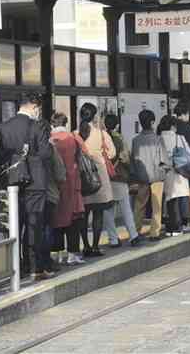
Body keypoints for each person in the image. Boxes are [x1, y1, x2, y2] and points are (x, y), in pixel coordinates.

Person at [0, 92, 58, 279]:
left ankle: (16, 268)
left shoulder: (3, 127)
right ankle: (34, 268)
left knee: (16, 224)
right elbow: (47, 154)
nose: (38, 111)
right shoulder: (38, 126)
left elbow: (0, 156)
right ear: (33, 106)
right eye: (38, 108)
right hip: (35, 182)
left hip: (13, 182)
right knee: (34, 226)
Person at [76, 102, 116, 257]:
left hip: (82, 178)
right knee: (98, 213)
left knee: (83, 214)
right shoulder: (101, 134)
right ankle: (95, 246)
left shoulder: (75, 134)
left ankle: (85, 246)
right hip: (98, 177)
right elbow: (111, 153)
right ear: (94, 116)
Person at [50, 112, 87, 266]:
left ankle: (57, 254)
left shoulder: (49, 139)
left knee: (56, 219)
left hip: (54, 185)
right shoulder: (72, 138)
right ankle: (72, 254)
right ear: (66, 123)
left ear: (52, 124)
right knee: (73, 220)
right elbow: (83, 155)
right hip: (72, 183)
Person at [103, 114, 141, 247]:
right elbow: (125, 158)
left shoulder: (101, 138)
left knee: (108, 211)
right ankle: (133, 235)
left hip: (106, 178)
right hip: (119, 177)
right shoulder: (118, 139)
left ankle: (113, 239)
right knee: (126, 208)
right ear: (117, 125)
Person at [132, 109, 168, 241]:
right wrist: (165, 170)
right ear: (152, 122)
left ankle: (135, 230)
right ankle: (155, 232)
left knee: (139, 204)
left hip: (142, 177)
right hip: (157, 176)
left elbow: (133, 160)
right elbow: (164, 159)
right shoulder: (158, 139)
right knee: (156, 205)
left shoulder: (136, 140)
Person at [158, 115, 190, 236]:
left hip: (165, 172)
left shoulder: (159, 138)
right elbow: (188, 152)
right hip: (180, 170)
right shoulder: (179, 138)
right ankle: (179, 226)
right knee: (181, 197)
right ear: (173, 126)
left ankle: (169, 227)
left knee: (169, 199)